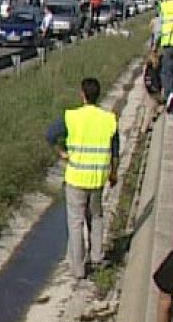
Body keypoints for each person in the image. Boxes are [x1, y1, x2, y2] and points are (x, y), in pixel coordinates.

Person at [46, 78, 119, 279]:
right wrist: (113, 173)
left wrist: (61, 152)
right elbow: (115, 151)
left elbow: (50, 134)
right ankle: (97, 257)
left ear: (82, 95)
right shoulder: (108, 119)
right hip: (97, 179)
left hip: (76, 178)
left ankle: (78, 269)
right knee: (96, 217)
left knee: (75, 222)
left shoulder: (72, 117)